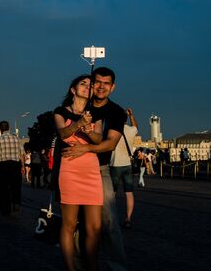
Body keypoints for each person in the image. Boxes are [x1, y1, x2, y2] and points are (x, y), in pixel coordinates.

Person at [62, 67, 128, 271]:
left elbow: (110, 143)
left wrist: (86, 148)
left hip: (100, 170)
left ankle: (116, 267)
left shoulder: (116, 112)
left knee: (108, 221)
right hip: (72, 169)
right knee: (76, 224)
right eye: (97, 82)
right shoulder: (80, 104)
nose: (100, 87)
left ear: (113, 87)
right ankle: (80, 265)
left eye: (106, 83)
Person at [54, 75, 104, 271]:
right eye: (83, 84)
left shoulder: (96, 115)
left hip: (91, 170)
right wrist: (77, 124)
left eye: (90, 85)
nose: (87, 87)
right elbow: (63, 133)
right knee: (69, 224)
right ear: (73, 90)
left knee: (94, 227)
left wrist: (88, 128)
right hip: (70, 169)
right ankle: (70, 268)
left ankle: (91, 265)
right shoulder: (60, 112)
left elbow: (98, 140)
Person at [110, 108, 139, 229]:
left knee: (112, 194)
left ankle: (111, 218)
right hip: (127, 165)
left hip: (115, 164)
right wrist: (132, 115)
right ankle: (128, 219)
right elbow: (135, 126)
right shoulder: (131, 130)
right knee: (129, 193)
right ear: (126, 119)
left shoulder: (112, 130)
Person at [0, 121, 24, 216]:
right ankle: (16, 202)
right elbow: (21, 154)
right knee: (16, 186)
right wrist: (22, 166)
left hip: (3, 166)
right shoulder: (16, 139)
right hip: (15, 165)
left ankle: (6, 209)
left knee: (4, 188)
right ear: (9, 128)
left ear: (0, 129)